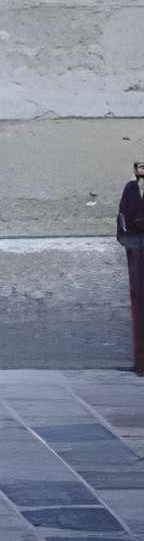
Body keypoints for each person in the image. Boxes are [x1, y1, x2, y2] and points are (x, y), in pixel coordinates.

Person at [118, 158, 144, 377]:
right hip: (136, 244)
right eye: (139, 167)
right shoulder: (130, 188)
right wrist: (126, 237)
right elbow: (123, 214)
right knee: (139, 298)